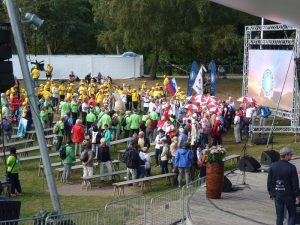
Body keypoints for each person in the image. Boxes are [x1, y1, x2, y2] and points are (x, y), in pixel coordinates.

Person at [267, 147, 300, 225]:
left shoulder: (272, 166)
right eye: (290, 155)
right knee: (292, 214)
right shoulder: (291, 167)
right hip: (289, 196)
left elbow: (269, 182)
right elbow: (295, 184)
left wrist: (271, 194)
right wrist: (297, 196)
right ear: (286, 155)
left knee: (279, 216)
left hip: (277, 195)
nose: (291, 156)